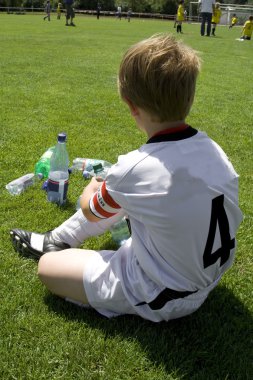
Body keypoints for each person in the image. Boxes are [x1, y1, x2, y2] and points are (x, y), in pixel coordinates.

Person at [10, 34, 243, 323]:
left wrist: (95, 184)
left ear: (131, 105)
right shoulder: (213, 149)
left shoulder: (135, 168)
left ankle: (60, 255)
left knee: (48, 267)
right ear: (190, 97)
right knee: (121, 196)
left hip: (164, 293)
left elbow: (89, 210)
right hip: (206, 276)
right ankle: (57, 238)